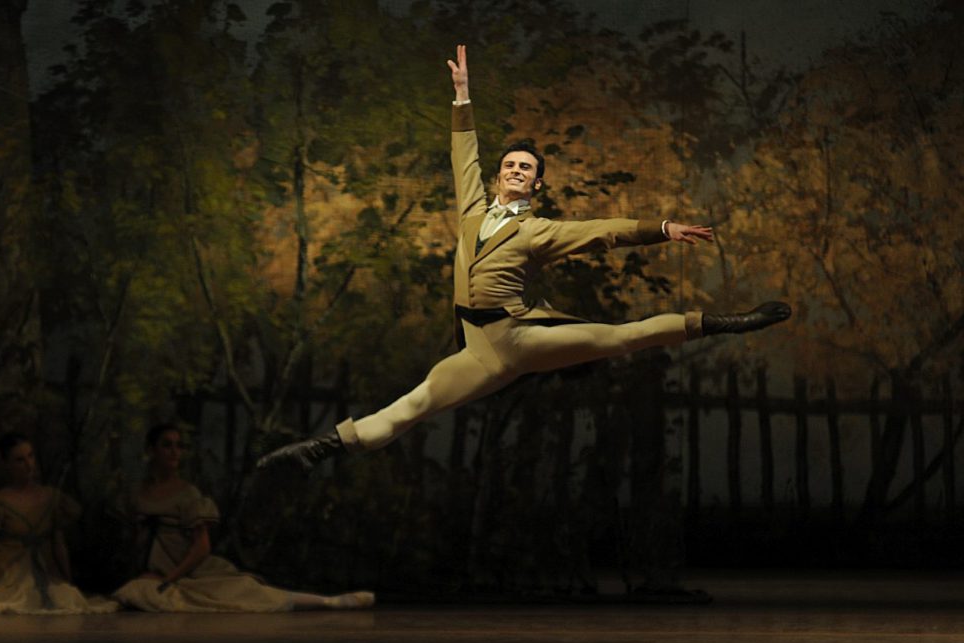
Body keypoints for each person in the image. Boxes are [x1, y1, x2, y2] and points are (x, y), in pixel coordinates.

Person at [257, 44, 790, 472]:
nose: (514, 169)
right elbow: (461, 156)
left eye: (525, 167)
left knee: (622, 337)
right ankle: (321, 449)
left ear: (538, 182)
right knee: (413, 405)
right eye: (509, 163)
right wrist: (462, 97)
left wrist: (662, 229)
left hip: (522, 337)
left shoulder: (538, 231)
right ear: (499, 174)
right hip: (479, 352)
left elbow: (601, 231)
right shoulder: (471, 211)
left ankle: (725, 322)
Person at [112, 423, 374, 612]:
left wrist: (169, 579)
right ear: (151, 450)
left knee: (250, 594)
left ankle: (330, 601)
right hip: (154, 573)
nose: (174, 452)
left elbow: (201, 546)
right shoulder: (140, 493)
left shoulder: (187, 494)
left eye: (178, 446)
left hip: (186, 572)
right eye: (166, 445)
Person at [0, 433, 118, 614]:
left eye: (30, 456)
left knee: (63, 597)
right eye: (19, 460)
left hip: (43, 571)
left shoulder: (51, 498)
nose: (28, 464)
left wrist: (67, 579)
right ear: (6, 464)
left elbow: (59, 544)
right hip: (5, 571)